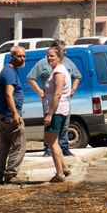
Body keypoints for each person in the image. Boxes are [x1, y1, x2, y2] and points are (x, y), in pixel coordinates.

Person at [28, 40, 81, 156]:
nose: (65, 52)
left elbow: (77, 76)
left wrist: (73, 89)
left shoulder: (66, 64)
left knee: (64, 125)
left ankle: (64, 147)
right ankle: (48, 149)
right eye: (63, 50)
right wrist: (40, 91)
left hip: (63, 102)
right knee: (50, 124)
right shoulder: (43, 63)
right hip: (50, 101)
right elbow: (31, 77)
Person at [0, 46, 27, 184]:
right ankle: (11, 175)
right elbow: (9, 94)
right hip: (9, 116)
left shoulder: (8, 71)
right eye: (20, 56)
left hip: (2, 115)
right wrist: (15, 113)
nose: (23, 58)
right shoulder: (10, 72)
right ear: (12, 56)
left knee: (3, 145)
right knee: (19, 145)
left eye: (24, 56)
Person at [40, 46, 72, 182]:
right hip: (60, 109)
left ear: (59, 57)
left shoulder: (58, 72)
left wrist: (50, 114)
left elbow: (58, 94)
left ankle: (59, 174)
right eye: (48, 55)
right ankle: (64, 168)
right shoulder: (58, 70)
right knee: (51, 140)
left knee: (52, 142)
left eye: (52, 56)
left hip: (57, 110)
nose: (49, 58)